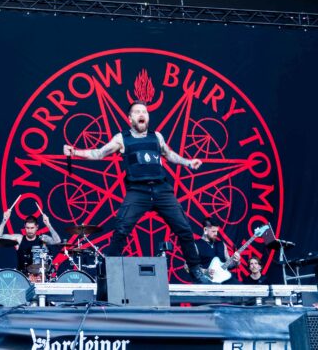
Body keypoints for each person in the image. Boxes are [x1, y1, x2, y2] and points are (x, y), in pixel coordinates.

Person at [63, 100, 212, 284]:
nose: (142, 114)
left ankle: (195, 270)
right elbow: (99, 153)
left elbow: (169, 155)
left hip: (161, 189)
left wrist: (188, 162)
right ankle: (110, 273)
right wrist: (75, 152)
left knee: (184, 228)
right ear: (130, 118)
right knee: (121, 229)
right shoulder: (122, 138)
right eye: (137, 112)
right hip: (138, 191)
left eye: (145, 112)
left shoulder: (156, 137)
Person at [0, 207, 61, 277]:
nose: (29, 231)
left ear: (37, 227)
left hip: (40, 278)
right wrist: (4, 220)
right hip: (22, 277)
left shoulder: (42, 238)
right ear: (24, 227)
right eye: (27, 228)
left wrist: (48, 224)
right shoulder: (19, 238)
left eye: (32, 228)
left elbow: (57, 241)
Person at [196, 218, 240, 282]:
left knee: (240, 285)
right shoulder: (196, 245)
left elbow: (229, 265)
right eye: (213, 231)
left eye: (217, 231)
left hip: (223, 279)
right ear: (205, 230)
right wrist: (205, 271)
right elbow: (188, 266)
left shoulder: (221, 244)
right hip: (206, 281)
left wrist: (236, 261)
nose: (216, 234)